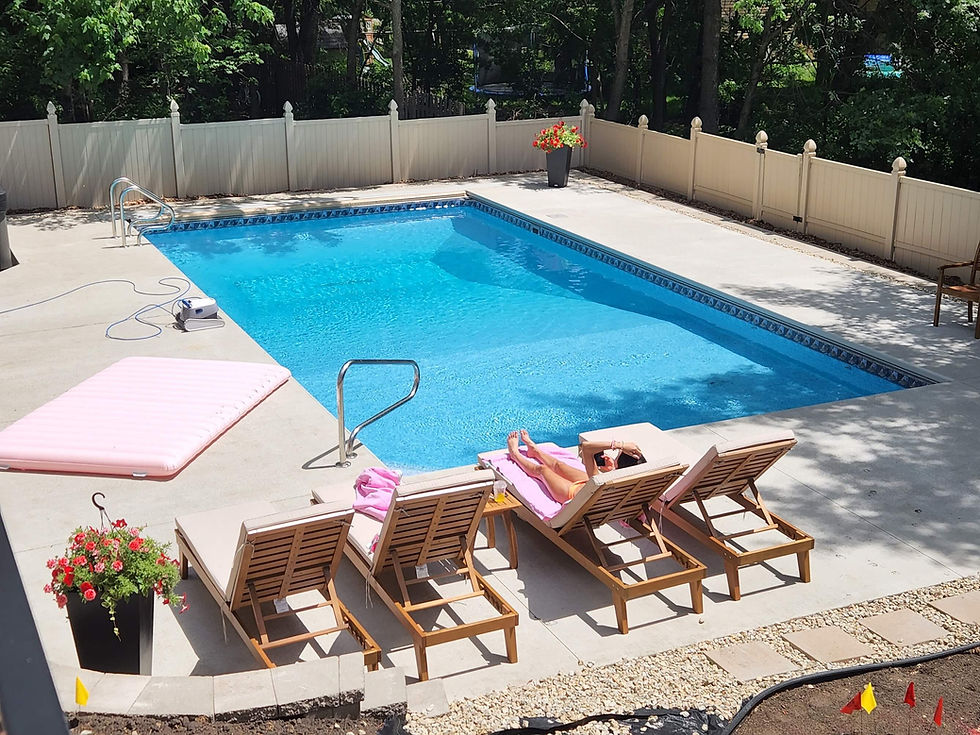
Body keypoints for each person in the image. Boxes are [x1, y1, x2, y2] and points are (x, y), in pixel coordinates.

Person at [506, 429, 644, 504]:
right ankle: (535, 451)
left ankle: (515, 454)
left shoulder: (602, 482)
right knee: (559, 465)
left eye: (617, 457)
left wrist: (620, 445)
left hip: (575, 495)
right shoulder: (638, 483)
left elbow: (587, 448)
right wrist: (611, 470)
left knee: (542, 470)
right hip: (591, 488)